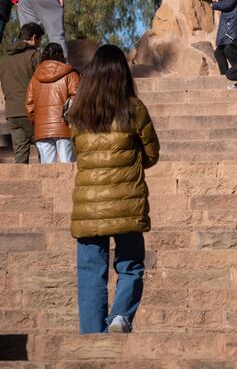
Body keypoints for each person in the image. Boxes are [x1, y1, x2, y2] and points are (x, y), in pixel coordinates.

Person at [64, 45, 159, 334]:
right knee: (130, 265)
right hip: (127, 203)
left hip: (89, 207)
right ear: (122, 75)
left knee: (91, 273)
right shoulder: (134, 109)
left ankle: (92, 334)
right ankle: (120, 315)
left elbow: (78, 152)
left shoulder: (78, 115)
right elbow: (152, 154)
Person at [0, 22, 45, 163]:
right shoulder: (34, 55)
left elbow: (4, 86)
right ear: (35, 38)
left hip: (12, 112)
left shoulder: (4, 60)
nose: (39, 44)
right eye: (40, 40)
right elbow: (41, 84)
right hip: (31, 111)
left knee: (20, 156)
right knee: (44, 151)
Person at [25, 42, 80, 164]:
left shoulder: (34, 78)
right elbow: (78, 99)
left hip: (42, 130)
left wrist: (38, 121)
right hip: (65, 127)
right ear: (61, 56)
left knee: (48, 171)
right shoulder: (71, 75)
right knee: (68, 167)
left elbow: (29, 105)